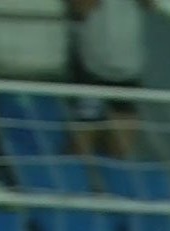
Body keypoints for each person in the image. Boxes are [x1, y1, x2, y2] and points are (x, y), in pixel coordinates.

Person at [64, 0, 153, 159]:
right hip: (91, 68)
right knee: (82, 145)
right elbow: (79, 9)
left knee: (120, 148)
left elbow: (150, 5)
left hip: (127, 68)